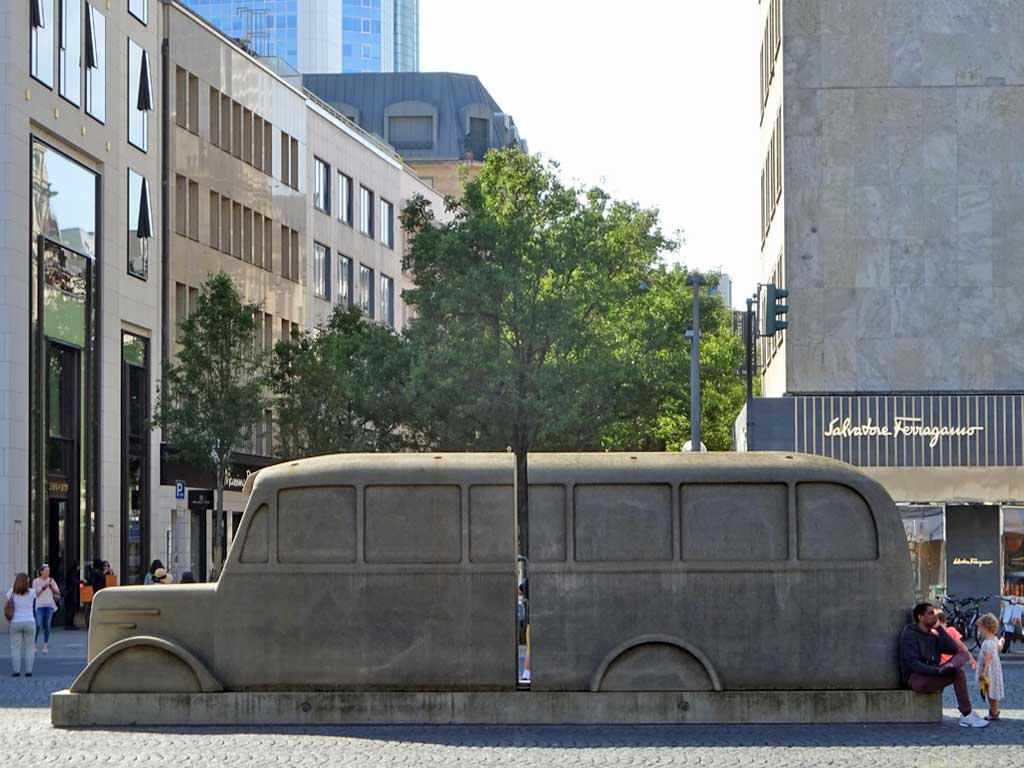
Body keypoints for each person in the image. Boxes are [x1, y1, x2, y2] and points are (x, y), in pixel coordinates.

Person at [899, 602, 988, 728]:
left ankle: (966, 714)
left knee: (963, 654)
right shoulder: (910, 635)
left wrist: (939, 628)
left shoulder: (932, 636)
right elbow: (913, 664)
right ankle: (967, 714)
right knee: (958, 673)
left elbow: (953, 648)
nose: (934, 616)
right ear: (920, 617)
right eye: (930, 613)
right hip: (917, 679)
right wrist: (937, 671)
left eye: (935, 613)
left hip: (935, 672)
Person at [6, 573, 36, 677]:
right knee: (29, 647)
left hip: (15, 622)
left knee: (15, 647)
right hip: (29, 621)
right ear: (27, 581)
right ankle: (28, 671)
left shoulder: (11, 592)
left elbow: (8, 605)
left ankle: (16, 671)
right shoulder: (32, 592)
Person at [976, 613, 1005, 721]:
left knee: (990, 691)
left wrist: (983, 671)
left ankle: (993, 712)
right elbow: (999, 648)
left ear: (985, 628)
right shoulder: (994, 639)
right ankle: (994, 711)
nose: (979, 630)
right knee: (993, 690)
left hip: (989, 671)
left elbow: (987, 657)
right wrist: (1002, 641)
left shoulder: (987, 643)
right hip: (995, 669)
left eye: (979, 627)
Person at [32, 564, 60, 654]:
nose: (47, 573)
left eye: (48, 571)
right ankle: (34, 644)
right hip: (39, 606)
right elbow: (35, 594)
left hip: (49, 605)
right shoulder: (36, 581)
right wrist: (43, 588)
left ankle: (45, 645)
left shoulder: (51, 580)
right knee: (38, 624)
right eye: (46, 571)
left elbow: (58, 592)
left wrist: (51, 586)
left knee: (47, 625)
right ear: (41, 572)